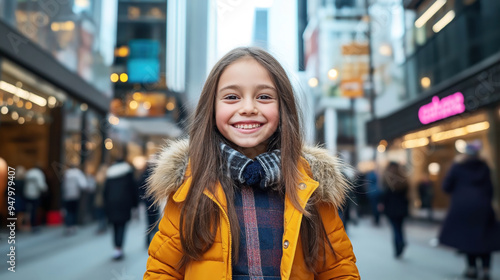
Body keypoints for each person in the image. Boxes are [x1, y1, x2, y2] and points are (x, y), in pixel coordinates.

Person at [144, 47, 359, 279]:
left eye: (264, 97)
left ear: (283, 107)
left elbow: (338, 269)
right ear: (212, 109)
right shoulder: (190, 184)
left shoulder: (310, 185)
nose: (248, 108)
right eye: (231, 97)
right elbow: (162, 270)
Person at [439, 141, 500, 280]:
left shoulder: (457, 166)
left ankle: (471, 268)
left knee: (468, 239)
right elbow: (491, 188)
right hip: (483, 206)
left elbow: (446, 186)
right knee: (485, 238)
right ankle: (486, 269)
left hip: (462, 207)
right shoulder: (484, 166)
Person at [104, 156, 138, 261]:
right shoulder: (128, 172)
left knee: (114, 226)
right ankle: (119, 248)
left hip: (111, 204)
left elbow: (105, 191)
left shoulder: (110, 174)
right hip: (124, 204)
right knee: (122, 226)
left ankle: (116, 248)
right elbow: (133, 189)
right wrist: (135, 205)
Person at [380, 161, 409, 259]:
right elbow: (407, 194)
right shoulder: (403, 178)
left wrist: (382, 204)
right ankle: (401, 241)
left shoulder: (387, 179)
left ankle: (399, 245)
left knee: (395, 228)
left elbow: (384, 194)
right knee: (400, 227)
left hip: (391, 208)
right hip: (402, 207)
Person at [138, 158, 160, 248]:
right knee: (155, 221)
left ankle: (148, 240)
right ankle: (155, 240)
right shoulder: (154, 175)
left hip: (147, 202)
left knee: (149, 222)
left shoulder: (143, 175)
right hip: (155, 201)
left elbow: (140, 189)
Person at [62, 164, 88, 235]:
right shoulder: (78, 173)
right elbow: (83, 185)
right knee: (74, 211)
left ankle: (68, 226)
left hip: (67, 195)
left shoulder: (66, 173)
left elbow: (63, 185)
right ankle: (73, 225)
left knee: (68, 211)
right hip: (75, 195)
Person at [24, 165, 48, 231]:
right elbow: (41, 185)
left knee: (28, 210)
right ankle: (34, 225)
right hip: (35, 194)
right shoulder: (39, 174)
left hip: (27, 194)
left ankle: (27, 224)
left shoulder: (29, 172)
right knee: (35, 210)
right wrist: (45, 190)